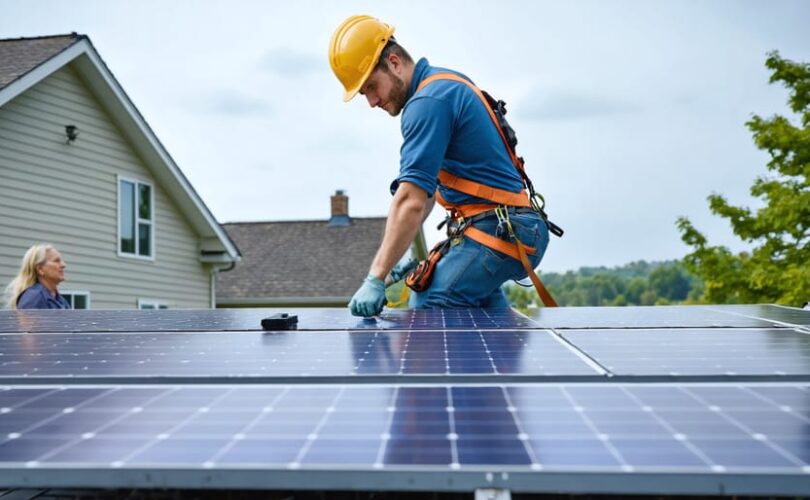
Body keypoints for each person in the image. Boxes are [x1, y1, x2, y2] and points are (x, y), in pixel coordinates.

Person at [329, 15, 554, 317]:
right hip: (510, 227)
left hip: (501, 228)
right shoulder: (443, 85)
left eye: (371, 86)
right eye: (363, 94)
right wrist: (397, 255)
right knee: (483, 322)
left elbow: (410, 199)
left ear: (394, 63)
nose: (370, 101)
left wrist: (375, 277)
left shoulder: (427, 102)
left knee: (429, 305)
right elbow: (429, 196)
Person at [4, 244, 70, 309]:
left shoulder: (61, 300)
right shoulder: (33, 298)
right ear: (40, 269)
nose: (63, 265)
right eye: (56, 261)